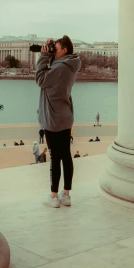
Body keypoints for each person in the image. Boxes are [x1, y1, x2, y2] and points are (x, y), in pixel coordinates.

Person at [36, 35, 81, 208]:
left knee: (55, 157)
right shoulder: (70, 65)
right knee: (66, 156)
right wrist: (50, 53)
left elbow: (40, 79)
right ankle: (66, 194)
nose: (53, 50)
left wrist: (44, 56)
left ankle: (54, 197)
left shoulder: (59, 67)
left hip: (53, 118)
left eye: (56, 47)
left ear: (65, 50)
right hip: (65, 116)